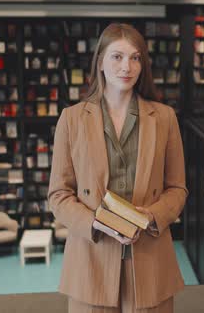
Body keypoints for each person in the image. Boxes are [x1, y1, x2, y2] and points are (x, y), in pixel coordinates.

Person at [48, 23, 187, 313]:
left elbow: (177, 189)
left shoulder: (164, 117)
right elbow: (59, 195)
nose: (127, 66)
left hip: (149, 256)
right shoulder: (71, 119)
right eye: (117, 56)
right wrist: (95, 223)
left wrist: (152, 216)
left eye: (135, 58)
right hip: (91, 258)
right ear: (100, 62)